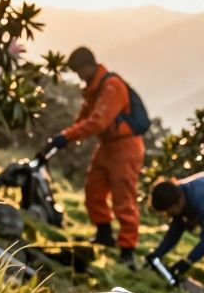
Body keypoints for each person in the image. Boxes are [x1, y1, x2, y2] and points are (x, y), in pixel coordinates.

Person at [50, 47, 145, 269]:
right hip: (108, 146)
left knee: (124, 198)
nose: (79, 76)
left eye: (79, 71)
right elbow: (84, 118)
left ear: (89, 66)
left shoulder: (111, 86)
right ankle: (104, 235)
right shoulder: (93, 90)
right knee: (94, 189)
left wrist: (67, 136)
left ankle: (128, 251)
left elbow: (98, 122)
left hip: (126, 147)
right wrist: (64, 136)